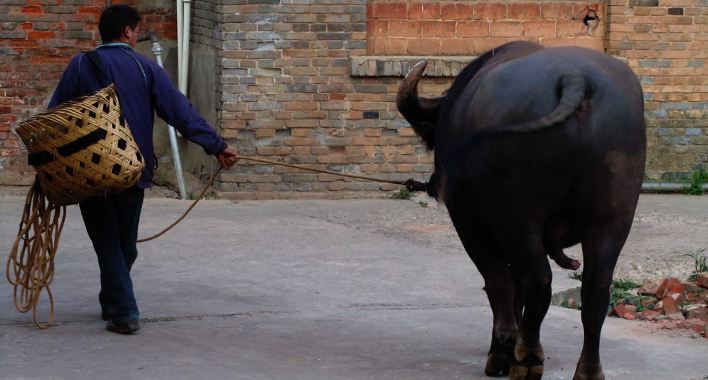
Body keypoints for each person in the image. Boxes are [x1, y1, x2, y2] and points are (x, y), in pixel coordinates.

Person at [48, 4, 239, 334]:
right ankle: (125, 312)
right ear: (127, 32)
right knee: (119, 244)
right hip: (131, 169)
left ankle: (113, 301)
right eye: (136, 31)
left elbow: (55, 118)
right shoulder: (144, 67)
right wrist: (217, 146)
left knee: (117, 245)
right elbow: (180, 112)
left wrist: (49, 165)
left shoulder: (79, 66)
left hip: (89, 170)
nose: (136, 36)